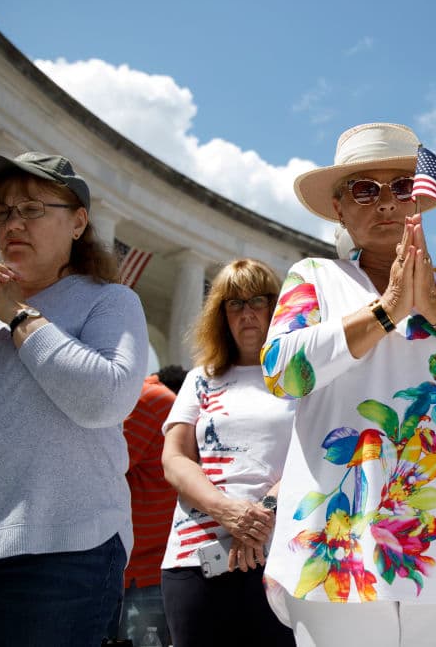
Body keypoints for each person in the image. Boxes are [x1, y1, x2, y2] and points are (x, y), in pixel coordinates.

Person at [260, 122, 436, 647]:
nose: (385, 202)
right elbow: (281, 372)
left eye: (400, 187)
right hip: (334, 542)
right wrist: (386, 311)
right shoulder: (313, 278)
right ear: (340, 208)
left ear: (420, 201)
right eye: (365, 188)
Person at [0, 151, 148, 645]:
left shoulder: (109, 301)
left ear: (78, 222)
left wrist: (17, 314)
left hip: (59, 558)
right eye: (2, 211)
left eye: (30, 209)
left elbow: (104, 399)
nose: (12, 224)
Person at [160, 259, 294, 647]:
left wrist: (259, 518)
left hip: (280, 559)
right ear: (220, 314)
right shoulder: (200, 378)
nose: (247, 313)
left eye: (256, 301)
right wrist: (226, 511)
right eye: (234, 303)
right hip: (195, 559)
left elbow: (313, 455)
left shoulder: (299, 379)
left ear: (275, 307)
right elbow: (175, 458)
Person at [106, 365, 186, 645]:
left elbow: (105, 465)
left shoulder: (147, 400)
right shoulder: (150, 399)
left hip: (141, 571)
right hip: (145, 566)